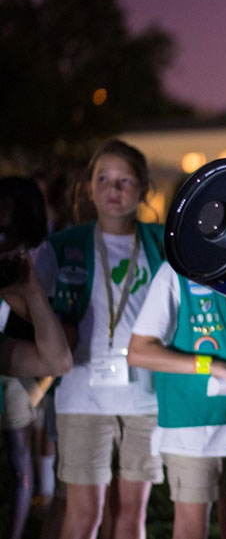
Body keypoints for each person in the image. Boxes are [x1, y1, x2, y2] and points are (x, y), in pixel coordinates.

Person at [42, 139, 166, 539]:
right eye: (104, 179)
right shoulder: (62, 247)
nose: (114, 190)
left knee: (131, 515)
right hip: (82, 397)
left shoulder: (162, 244)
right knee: (84, 514)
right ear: (89, 187)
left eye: (126, 180)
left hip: (145, 397)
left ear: (144, 188)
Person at [128, 261, 226, 539]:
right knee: (192, 532)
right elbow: (139, 352)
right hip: (192, 427)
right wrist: (211, 365)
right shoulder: (175, 271)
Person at [0, 175, 65, 539]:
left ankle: (25, 519)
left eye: (8, 203)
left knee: (24, 452)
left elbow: (47, 317)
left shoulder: (36, 254)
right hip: (17, 359)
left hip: (24, 363)